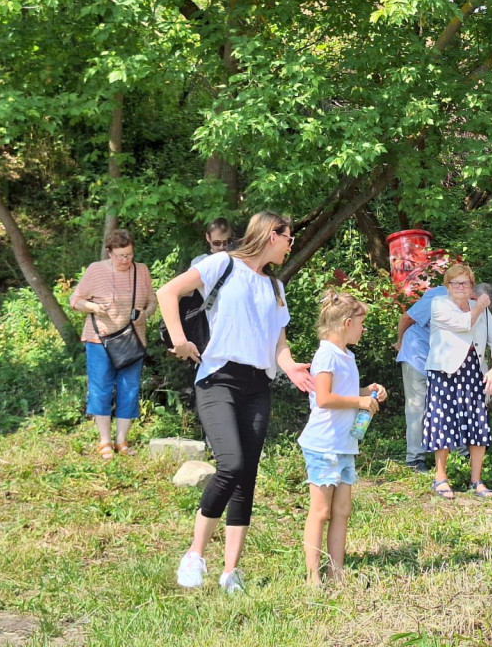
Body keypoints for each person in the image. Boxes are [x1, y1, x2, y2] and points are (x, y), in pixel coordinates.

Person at [157, 211, 314, 593]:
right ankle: (194, 554)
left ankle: (231, 572)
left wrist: (291, 368)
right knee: (231, 464)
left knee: (246, 478)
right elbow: (168, 292)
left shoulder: (276, 287)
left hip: (258, 385)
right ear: (270, 234)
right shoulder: (222, 263)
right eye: (287, 236)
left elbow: (278, 341)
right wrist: (179, 339)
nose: (291, 243)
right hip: (218, 379)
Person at [298, 290, 388, 586]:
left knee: (342, 511)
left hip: (345, 445)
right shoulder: (326, 354)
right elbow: (323, 398)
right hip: (323, 445)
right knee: (321, 511)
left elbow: (345, 392)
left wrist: (367, 391)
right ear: (347, 323)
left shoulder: (347, 356)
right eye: (361, 324)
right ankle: (313, 575)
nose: (363, 330)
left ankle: (337, 571)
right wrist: (358, 402)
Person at [70, 229, 156, 460]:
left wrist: (144, 314)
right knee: (101, 388)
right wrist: (94, 308)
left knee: (130, 389)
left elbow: (152, 302)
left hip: (132, 340)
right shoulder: (95, 270)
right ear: (109, 253)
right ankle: (104, 441)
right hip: (100, 340)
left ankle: (122, 441)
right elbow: (75, 301)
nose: (125, 260)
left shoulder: (142, 271)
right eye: (120, 256)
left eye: (129, 255)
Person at [424, 263, 492, 500]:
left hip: (474, 371)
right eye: (455, 282)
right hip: (444, 371)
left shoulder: (480, 309)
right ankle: (440, 478)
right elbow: (463, 324)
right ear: (447, 286)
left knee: (478, 422)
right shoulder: (439, 305)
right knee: (442, 420)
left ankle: (476, 481)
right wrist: (481, 305)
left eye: (466, 283)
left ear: (472, 286)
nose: (461, 287)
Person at [394, 283, 448, 472]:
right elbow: (406, 317)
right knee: (418, 406)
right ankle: (415, 459)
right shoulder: (438, 297)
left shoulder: (470, 307)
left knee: (443, 406)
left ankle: (454, 454)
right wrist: (400, 342)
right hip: (416, 354)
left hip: (439, 360)